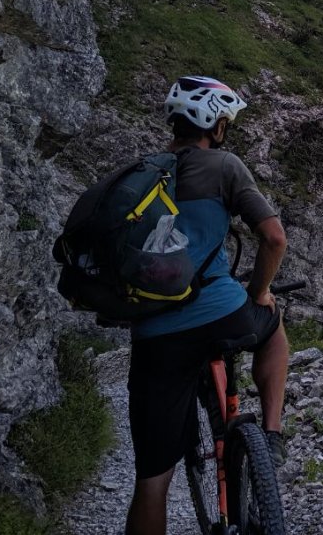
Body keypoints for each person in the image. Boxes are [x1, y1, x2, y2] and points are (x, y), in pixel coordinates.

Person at [125, 76, 289, 535]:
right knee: (272, 327)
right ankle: (271, 437)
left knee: (152, 482)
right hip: (222, 311)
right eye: (224, 122)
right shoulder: (224, 166)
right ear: (214, 125)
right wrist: (258, 292)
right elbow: (274, 238)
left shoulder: (141, 174)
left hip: (155, 335)